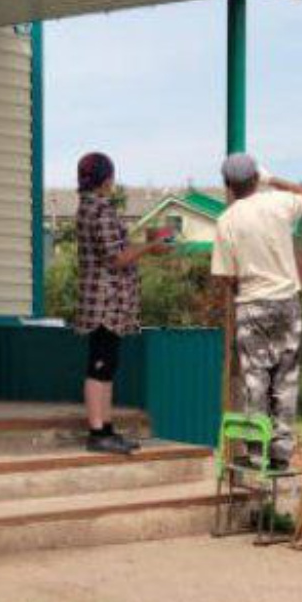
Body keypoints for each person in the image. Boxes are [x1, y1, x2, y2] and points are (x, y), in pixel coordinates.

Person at [210, 153, 302, 469]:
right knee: (285, 379)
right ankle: (281, 455)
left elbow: (226, 276)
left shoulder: (226, 220)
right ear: (255, 178)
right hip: (287, 302)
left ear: (227, 184)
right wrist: (272, 179)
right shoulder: (277, 203)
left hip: (252, 303)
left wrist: (240, 293)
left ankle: (256, 452)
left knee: (255, 378)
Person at [74, 152, 170, 454]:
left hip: (101, 298)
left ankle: (105, 428)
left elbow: (114, 249)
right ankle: (97, 432)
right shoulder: (100, 210)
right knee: (100, 365)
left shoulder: (87, 207)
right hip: (105, 300)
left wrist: (142, 245)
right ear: (106, 179)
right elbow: (115, 258)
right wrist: (151, 245)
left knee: (106, 364)